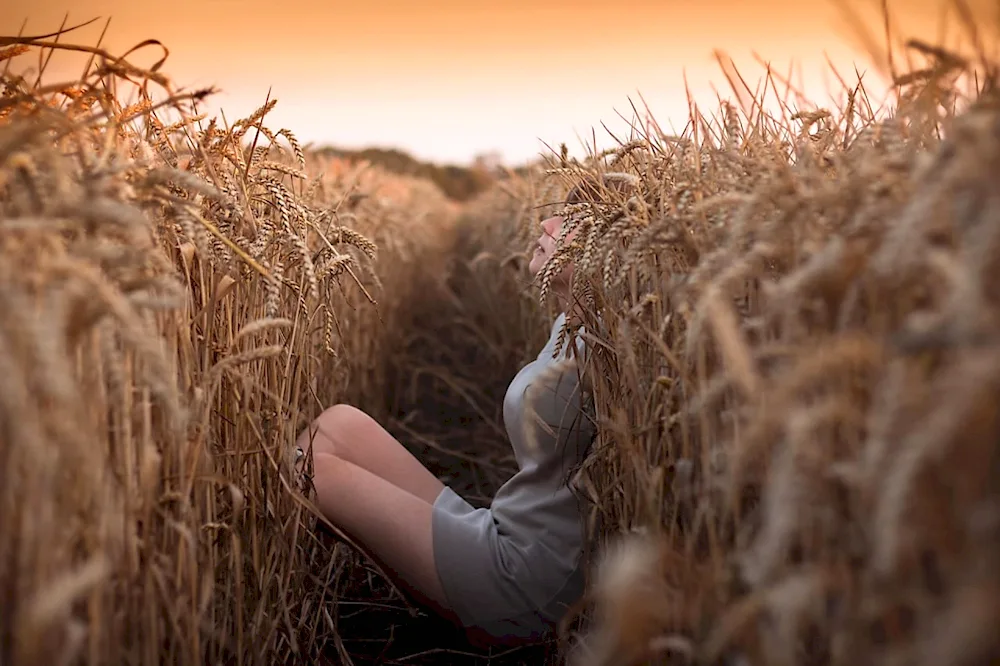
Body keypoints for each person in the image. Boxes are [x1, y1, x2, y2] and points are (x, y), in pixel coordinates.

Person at [293, 179, 604, 645]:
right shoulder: (571, 324)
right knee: (339, 423)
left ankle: (275, 619)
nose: (547, 222)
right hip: (507, 528)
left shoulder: (612, 351)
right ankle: (294, 586)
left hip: (527, 581)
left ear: (606, 253)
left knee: (312, 473)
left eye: (571, 222)